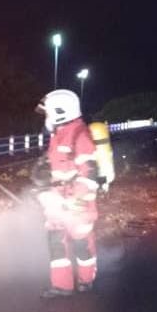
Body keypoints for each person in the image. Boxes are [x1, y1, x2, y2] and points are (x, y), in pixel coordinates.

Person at [34, 89, 100, 296]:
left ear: (59, 111)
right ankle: (62, 286)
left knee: (81, 243)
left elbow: (89, 173)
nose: (47, 118)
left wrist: (72, 198)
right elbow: (54, 167)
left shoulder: (80, 135)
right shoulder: (58, 135)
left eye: (48, 113)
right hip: (57, 200)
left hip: (78, 203)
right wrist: (44, 187)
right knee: (56, 242)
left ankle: (86, 280)